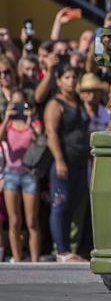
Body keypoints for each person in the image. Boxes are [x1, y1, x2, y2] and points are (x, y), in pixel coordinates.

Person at [44, 64, 91, 262]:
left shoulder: (78, 101)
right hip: (64, 162)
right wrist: (60, 160)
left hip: (80, 162)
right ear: (59, 80)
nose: (71, 81)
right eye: (67, 77)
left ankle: (73, 248)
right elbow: (51, 133)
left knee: (75, 205)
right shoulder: (56, 104)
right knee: (60, 205)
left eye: (74, 77)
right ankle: (62, 251)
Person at [1, 90, 42, 262]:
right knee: (14, 221)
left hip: (29, 174)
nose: (18, 108)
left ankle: (34, 260)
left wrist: (30, 120)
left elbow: (39, 140)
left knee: (32, 220)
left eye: (21, 105)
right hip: (11, 174)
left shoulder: (33, 122)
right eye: (14, 105)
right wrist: (6, 117)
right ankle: (17, 260)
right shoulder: (8, 125)